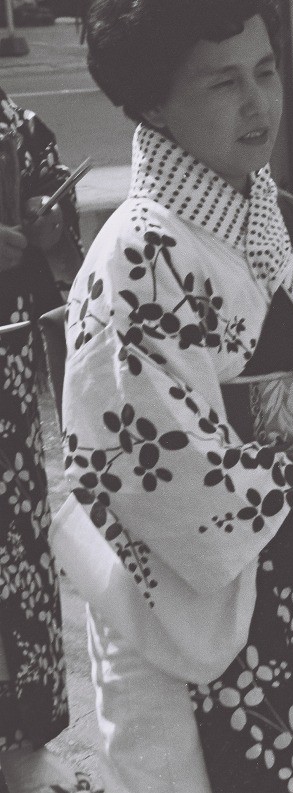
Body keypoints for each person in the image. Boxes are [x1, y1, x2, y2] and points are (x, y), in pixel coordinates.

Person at [54, 0, 293, 790]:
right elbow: (148, 467)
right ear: (152, 102)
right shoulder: (137, 256)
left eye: (266, 71)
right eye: (223, 82)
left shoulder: (278, 219)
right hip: (192, 617)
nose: (258, 103)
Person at [0, 86, 81, 792]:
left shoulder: (16, 123)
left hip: (7, 364)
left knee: (17, 545)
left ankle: (19, 738)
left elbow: (57, 209)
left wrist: (48, 223)